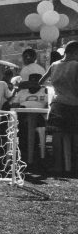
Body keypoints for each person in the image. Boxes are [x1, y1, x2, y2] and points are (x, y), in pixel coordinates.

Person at [40, 40, 78, 174]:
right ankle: (73, 165)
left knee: (56, 135)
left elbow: (41, 82)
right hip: (73, 104)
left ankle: (57, 166)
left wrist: (56, 87)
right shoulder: (76, 65)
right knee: (74, 135)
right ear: (75, 52)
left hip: (57, 104)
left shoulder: (54, 65)